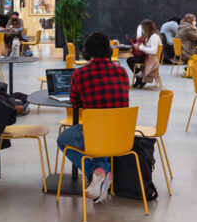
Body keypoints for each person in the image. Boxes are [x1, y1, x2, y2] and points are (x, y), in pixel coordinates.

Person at [57, 31, 130, 205]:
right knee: (100, 137)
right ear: (109, 50)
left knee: (63, 139)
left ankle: (94, 173)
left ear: (86, 52)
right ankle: (100, 173)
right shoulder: (122, 72)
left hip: (95, 133)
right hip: (121, 135)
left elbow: (75, 103)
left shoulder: (80, 74)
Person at [127, 19, 161, 87]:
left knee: (130, 61)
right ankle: (139, 77)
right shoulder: (148, 35)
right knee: (130, 60)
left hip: (151, 58)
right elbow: (139, 28)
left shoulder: (154, 36)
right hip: (147, 56)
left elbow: (154, 51)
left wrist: (141, 48)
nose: (141, 29)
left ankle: (140, 77)